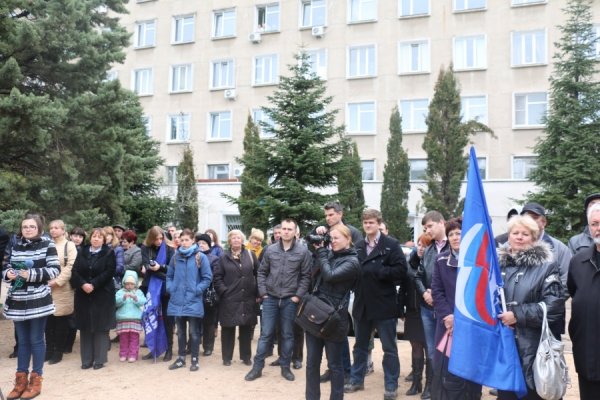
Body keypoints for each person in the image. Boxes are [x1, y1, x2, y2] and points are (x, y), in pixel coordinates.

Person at [496, 214, 566, 399]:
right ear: (508, 236)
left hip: (535, 350)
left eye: (525, 234)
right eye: (515, 232)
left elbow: (554, 306)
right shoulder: (497, 268)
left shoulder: (547, 266)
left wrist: (517, 315)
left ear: (534, 238)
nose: (519, 237)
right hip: (505, 348)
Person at [344, 208, 407, 400]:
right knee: (360, 346)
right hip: (362, 303)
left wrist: (380, 272)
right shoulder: (358, 246)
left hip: (384, 304)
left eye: (371, 222)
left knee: (389, 347)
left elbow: (401, 270)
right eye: (365, 222)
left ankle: (391, 384)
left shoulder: (391, 245)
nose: (368, 225)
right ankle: (356, 380)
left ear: (379, 223)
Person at [245, 218, 312, 382]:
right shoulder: (270, 250)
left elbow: (305, 277)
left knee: (288, 335)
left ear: (295, 231)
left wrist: (297, 296)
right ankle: (257, 367)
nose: (286, 232)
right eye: (284, 229)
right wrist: (263, 292)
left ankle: (285, 367)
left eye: (290, 229)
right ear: (280, 231)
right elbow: (261, 272)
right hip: (270, 299)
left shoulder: (303, 251)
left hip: (290, 299)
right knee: (265, 334)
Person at [3, 214, 60, 400]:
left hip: (38, 298)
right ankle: (20, 382)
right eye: (25, 226)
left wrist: (31, 274)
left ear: (39, 229)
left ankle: (36, 380)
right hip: (18, 299)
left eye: (32, 227)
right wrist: (8, 273)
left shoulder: (47, 244)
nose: (28, 229)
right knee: (23, 341)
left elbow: (54, 270)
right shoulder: (15, 244)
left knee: (36, 339)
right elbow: (5, 265)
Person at [305, 224, 360, 400]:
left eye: (337, 238)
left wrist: (322, 253)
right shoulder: (328, 254)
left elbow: (330, 275)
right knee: (312, 364)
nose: (333, 241)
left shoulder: (352, 262)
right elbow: (310, 248)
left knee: (335, 365)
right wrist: (316, 233)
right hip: (315, 315)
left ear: (348, 239)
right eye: (331, 238)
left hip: (335, 320)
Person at [431, 217, 482, 399]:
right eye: (451, 234)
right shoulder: (441, 260)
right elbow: (437, 291)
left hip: (472, 325)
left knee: (472, 370)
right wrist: (447, 316)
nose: (454, 237)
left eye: (458, 233)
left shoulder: (479, 261)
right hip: (448, 325)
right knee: (448, 371)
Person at [166, 229, 212, 372]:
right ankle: (180, 359)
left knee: (194, 331)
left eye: (187, 240)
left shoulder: (200, 257)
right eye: (182, 240)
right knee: (180, 331)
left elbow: (207, 277)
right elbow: (169, 275)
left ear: (193, 240)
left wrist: (197, 290)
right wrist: (171, 288)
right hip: (177, 299)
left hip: (193, 299)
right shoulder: (175, 257)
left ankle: (194, 359)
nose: (184, 243)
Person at [414, 210, 449, 399]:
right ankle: (432, 388)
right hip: (427, 309)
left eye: (430, 226)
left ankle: (447, 389)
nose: (427, 231)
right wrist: (424, 292)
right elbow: (418, 275)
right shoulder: (428, 250)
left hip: (447, 311)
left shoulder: (453, 247)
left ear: (442, 223)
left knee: (449, 352)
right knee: (432, 351)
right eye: (425, 228)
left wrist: (437, 294)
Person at [70, 228, 117, 370]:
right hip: (83, 294)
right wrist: (83, 284)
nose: (96, 239)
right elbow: (75, 271)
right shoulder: (82, 251)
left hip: (102, 294)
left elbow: (109, 271)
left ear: (104, 240)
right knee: (85, 326)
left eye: (99, 237)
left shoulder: (109, 253)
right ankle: (86, 359)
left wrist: (94, 284)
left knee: (100, 327)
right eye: (94, 236)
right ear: (90, 238)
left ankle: (99, 359)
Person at [567, 202, 600, 399]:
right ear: (589, 227)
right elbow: (575, 294)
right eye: (594, 223)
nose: (599, 228)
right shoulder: (577, 262)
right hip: (588, 355)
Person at [213, 230, 259, 366]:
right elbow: (217, 277)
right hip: (229, 298)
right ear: (229, 241)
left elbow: (259, 273)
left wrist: (257, 293)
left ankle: (246, 357)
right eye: (233, 238)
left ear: (243, 240)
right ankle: (226, 358)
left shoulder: (250, 255)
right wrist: (224, 291)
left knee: (245, 328)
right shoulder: (223, 257)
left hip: (247, 297)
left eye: (239, 237)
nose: (236, 240)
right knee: (228, 328)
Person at [45, 219, 77, 365]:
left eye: (56, 228)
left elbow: (71, 266)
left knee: (61, 321)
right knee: (48, 321)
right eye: (51, 228)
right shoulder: (46, 244)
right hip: (45, 288)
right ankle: (49, 350)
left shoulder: (69, 245)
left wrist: (57, 281)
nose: (53, 230)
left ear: (64, 230)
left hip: (63, 289)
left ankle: (58, 351)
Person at [140, 226, 175, 361]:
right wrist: (161, 272)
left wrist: (159, 268)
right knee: (151, 318)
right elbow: (146, 266)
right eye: (156, 239)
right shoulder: (145, 248)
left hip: (165, 289)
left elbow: (171, 269)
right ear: (151, 239)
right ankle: (153, 348)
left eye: (161, 238)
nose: (159, 241)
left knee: (167, 320)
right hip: (150, 288)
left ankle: (169, 350)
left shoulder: (169, 249)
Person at [405, 233, 432, 396]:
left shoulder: (434, 262)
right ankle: (416, 383)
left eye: (425, 245)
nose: (421, 248)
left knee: (429, 349)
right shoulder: (410, 262)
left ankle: (429, 385)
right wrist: (401, 308)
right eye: (419, 244)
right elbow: (404, 286)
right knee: (415, 347)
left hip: (428, 310)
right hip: (413, 310)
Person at [195, 232, 221, 356]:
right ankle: (192, 345)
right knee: (194, 321)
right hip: (194, 294)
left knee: (209, 322)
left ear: (209, 245)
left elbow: (214, 276)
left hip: (208, 295)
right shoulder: (192, 256)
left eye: (204, 243)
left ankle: (208, 346)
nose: (201, 245)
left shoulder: (214, 259)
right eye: (199, 243)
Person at [115, 270, 147, 362]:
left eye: (131, 284)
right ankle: (123, 354)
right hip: (123, 319)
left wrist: (135, 298)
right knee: (123, 338)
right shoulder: (120, 292)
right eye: (127, 283)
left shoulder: (138, 292)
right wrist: (123, 298)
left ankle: (133, 354)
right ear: (124, 283)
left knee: (134, 338)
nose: (129, 286)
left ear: (135, 283)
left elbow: (143, 301)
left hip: (135, 319)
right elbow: (115, 302)